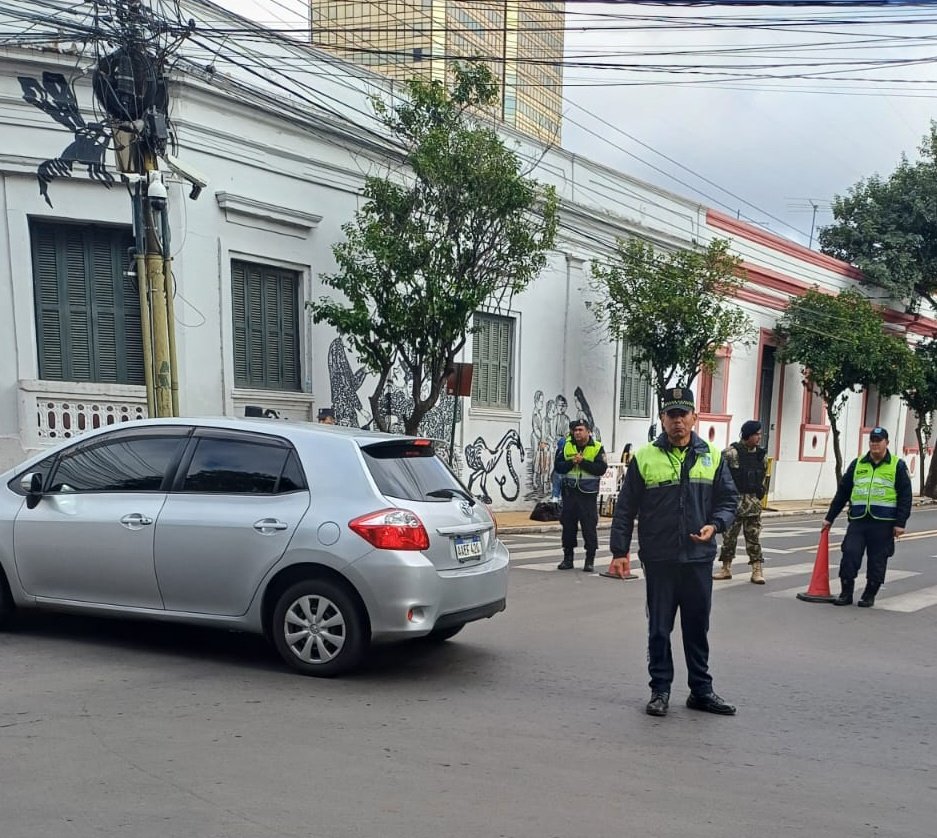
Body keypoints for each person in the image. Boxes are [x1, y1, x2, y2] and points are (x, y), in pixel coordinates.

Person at [608, 387, 739, 717]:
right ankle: (660, 690)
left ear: (695, 417)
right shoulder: (645, 457)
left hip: (698, 558)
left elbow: (728, 501)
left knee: (697, 627)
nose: (678, 421)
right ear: (663, 419)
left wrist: (716, 525)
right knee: (659, 629)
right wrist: (619, 551)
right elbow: (625, 508)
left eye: (683, 414)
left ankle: (701, 690)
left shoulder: (712, 455)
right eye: (671, 415)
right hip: (660, 559)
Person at [822, 426, 912, 608]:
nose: (874, 444)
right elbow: (843, 493)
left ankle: (869, 594)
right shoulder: (858, 464)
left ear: (886, 443)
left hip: (883, 523)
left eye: (878, 441)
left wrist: (900, 523)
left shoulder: (897, 465)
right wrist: (829, 517)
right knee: (850, 553)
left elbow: (905, 496)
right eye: (872, 440)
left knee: (877, 560)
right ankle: (846, 592)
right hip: (859, 520)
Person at [714, 420, 769, 584]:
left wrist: (760, 493)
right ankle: (726, 568)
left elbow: (764, 477)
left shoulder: (761, 455)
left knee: (753, 538)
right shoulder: (730, 454)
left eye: (760, 434)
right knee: (729, 538)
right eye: (756, 434)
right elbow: (721, 477)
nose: (759, 437)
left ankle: (757, 570)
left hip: (752, 504)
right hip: (733, 504)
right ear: (747, 435)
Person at [554, 418, 608, 572]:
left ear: (588, 431)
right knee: (568, 526)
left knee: (589, 527)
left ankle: (589, 559)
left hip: (588, 494)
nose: (577, 433)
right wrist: (572, 462)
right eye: (575, 430)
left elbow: (601, 468)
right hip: (570, 493)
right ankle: (568, 558)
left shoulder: (597, 447)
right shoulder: (566, 446)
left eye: (580, 430)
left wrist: (583, 462)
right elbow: (558, 467)